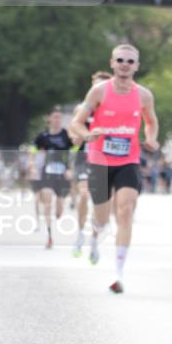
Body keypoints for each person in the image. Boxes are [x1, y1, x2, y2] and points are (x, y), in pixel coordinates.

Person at [70, 44, 159, 294]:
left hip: (128, 160)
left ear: (136, 66)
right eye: (120, 60)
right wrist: (88, 135)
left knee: (125, 210)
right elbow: (76, 123)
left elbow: (151, 122)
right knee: (101, 217)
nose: (124, 64)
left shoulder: (144, 95)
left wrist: (151, 138)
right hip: (99, 160)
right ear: (112, 63)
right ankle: (96, 234)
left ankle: (118, 273)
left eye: (130, 61)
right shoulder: (98, 92)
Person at [69, 70, 110, 257]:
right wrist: (81, 136)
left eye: (101, 86)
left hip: (104, 161)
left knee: (99, 202)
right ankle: (80, 234)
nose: (97, 89)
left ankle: (94, 240)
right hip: (84, 159)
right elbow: (73, 137)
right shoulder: (82, 109)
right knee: (84, 196)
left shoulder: (111, 110)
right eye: (95, 85)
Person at [34, 107, 72, 248]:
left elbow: (74, 152)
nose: (57, 120)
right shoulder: (43, 136)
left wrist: (70, 169)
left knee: (59, 211)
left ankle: (59, 208)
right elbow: (34, 151)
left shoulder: (66, 135)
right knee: (48, 204)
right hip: (47, 173)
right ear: (49, 119)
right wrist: (33, 166)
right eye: (55, 117)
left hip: (62, 174)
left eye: (59, 117)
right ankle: (49, 236)